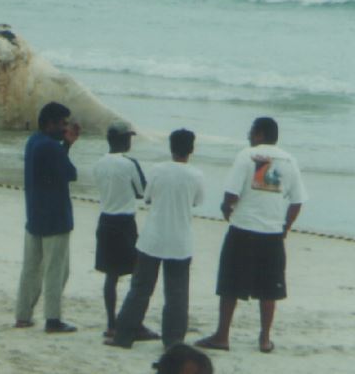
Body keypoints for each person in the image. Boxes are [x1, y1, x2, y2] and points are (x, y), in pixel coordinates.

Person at [196, 117, 306, 354]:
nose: (248, 135)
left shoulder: (246, 155)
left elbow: (231, 194)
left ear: (259, 134)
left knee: (230, 285)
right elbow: (297, 201)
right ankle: (265, 339)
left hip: (243, 230)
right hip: (272, 234)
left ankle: (222, 336)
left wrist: (227, 209)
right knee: (269, 289)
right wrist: (285, 226)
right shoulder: (289, 160)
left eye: (251, 131)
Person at [107, 129, 205, 350]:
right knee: (177, 295)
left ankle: (123, 336)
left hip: (153, 237)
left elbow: (148, 197)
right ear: (191, 149)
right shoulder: (196, 175)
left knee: (140, 289)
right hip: (180, 240)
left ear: (171, 148)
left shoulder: (157, 170)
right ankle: (173, 341)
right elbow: (197, 201)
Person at [14, 101, 80, 333]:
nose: (64, 128)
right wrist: (67, 146)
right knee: (57, 271)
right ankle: (53, 319)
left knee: (31, 269)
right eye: (62, 124)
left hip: (35, 214)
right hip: (56, 217)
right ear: (50, 123)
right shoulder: (52, 147)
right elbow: (71, 173)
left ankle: (23, 314)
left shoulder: (34, 141)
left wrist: (64, 144)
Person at [92, 120, 153, 339]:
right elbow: (142, 193)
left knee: (111, 276)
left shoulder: (99, 163)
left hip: (105, 220)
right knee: (138, 274)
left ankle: (111, 323)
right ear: (123, 140)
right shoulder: (129, 164)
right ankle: (133, 322)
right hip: (125, 222)